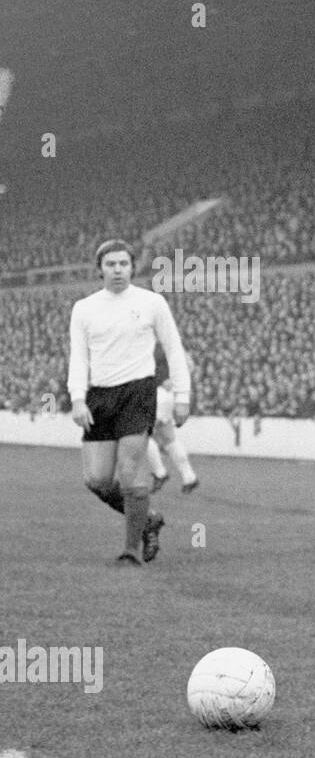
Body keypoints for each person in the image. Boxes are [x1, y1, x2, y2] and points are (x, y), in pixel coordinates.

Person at [69, 239, 190, 565]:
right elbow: (78, 358)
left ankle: (131, 550)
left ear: (132, 267)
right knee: (96, 479)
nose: (118, 270)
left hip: (138, 393)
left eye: (123, 263)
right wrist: (78, 399)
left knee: (131, 471)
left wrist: (182, 396)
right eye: (111, 264)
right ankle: (148, 518)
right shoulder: (84, 308)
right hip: (100, 396)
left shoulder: (152, 303)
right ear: (100, 270)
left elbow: (174, 349)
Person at [147, 341, 200, 493]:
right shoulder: (174, 343)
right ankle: (189, 477)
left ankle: (160, 473)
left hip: (160, 393)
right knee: (168, 437)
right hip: (171, 394)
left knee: (142, 433)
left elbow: (148, 368)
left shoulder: (156, 345)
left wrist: (164, 379)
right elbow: (191, 365)